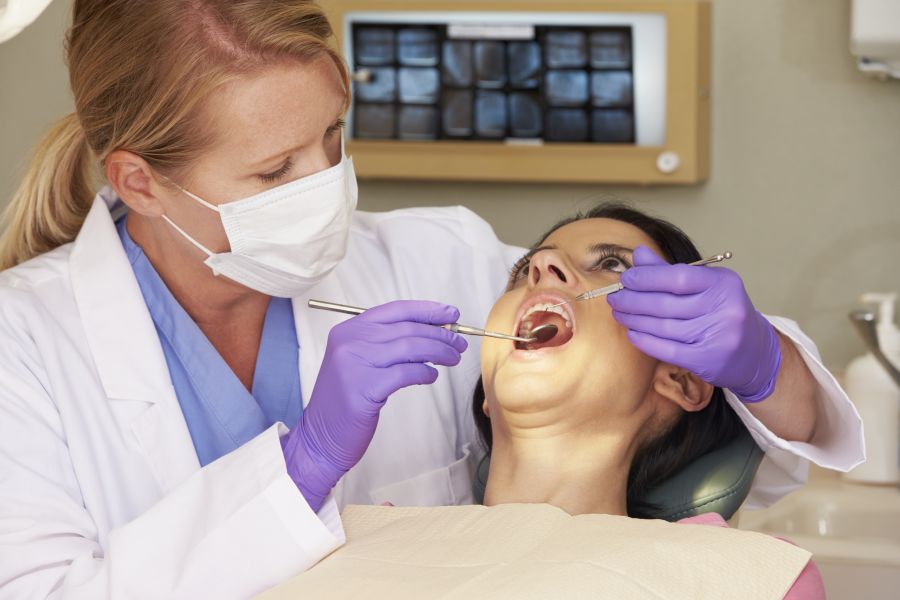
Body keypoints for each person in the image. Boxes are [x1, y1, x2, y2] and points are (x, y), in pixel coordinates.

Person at [0, 1, 860, 597]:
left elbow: (741, 420)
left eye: (333, 137)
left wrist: (762, 359)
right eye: (273, 172)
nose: (324, 183)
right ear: (139, 183)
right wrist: (301, 466)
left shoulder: (430, 258)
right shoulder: (25, 347)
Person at [469, 203, 824, 597]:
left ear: (680, 381)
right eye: (522, 272)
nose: (543, 263)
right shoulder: (389, 536)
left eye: (611, 264)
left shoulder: (752, 582)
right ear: (487, 392)